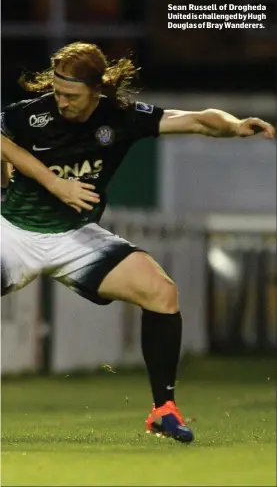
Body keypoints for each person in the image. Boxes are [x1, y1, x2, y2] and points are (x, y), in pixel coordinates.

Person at [1, 41, 275, 444]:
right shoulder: (31, 115)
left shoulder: (122, 119)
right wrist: (53, 183)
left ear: (97, 90)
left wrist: (233, 127)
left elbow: (197, 120)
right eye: (57, 92)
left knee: (161, 292)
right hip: (15, 233)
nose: (61, 102)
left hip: (76, 239)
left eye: (71, 95)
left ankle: (163, 410)